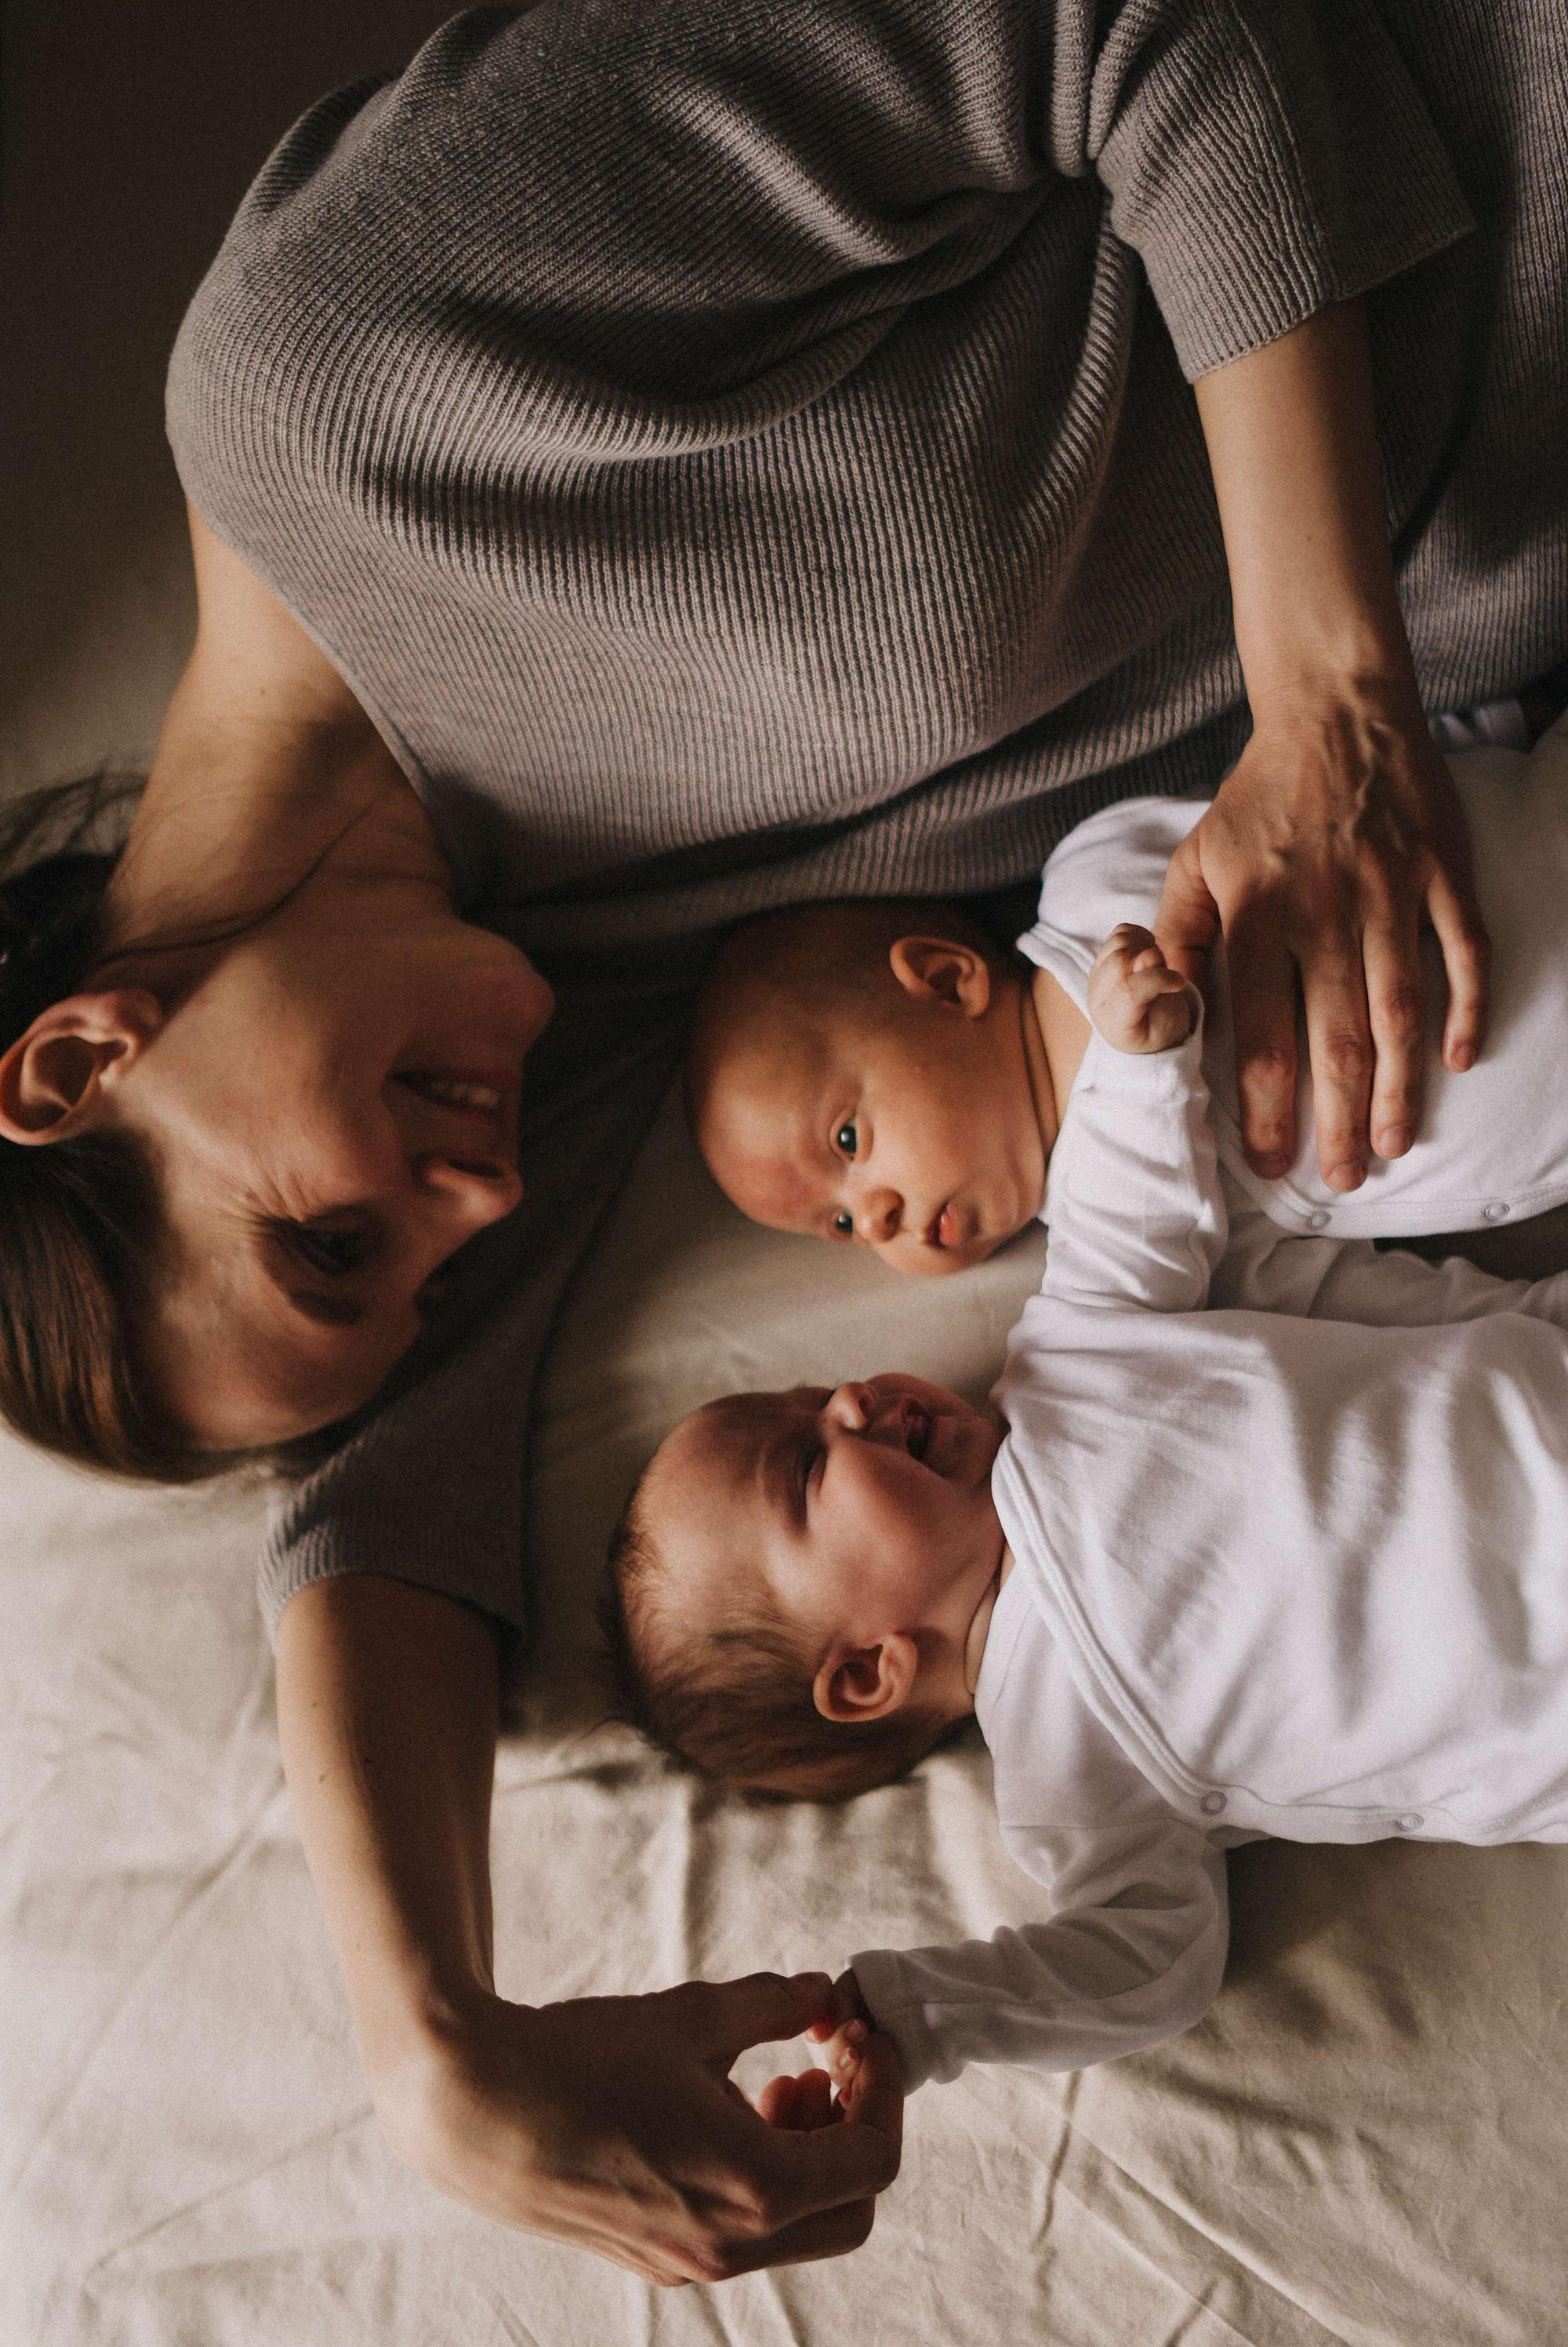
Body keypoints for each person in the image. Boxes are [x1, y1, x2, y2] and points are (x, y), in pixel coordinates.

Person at [2, 0, 1565, 2282]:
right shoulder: (569, 998)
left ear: (70, 1061)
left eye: (332, 1241)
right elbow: (384, 1507)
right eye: (423, 1283)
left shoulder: (331, 385)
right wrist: (430, 2047)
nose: (483, 1205)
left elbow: (1144, 31)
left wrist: (1324, 675)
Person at [604, 925, 1568, 2095]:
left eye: (812, 1394)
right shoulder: (1067, 1762)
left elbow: (1126, 1214)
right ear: (868, 1673)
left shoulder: (1063, 1356)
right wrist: (926, 2018)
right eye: (809, 1466)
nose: (848, 1397)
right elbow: (1149, 1959)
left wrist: (1134, 1056)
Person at [688, 725, 1568, 1276]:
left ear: (948, 979)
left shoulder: (1092, 886)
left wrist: (1479, 727)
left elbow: (1301, 790)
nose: (876, 1216)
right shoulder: (1109, 1242)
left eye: (847, 1139)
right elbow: (1324, 1293)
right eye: (839, 1225)